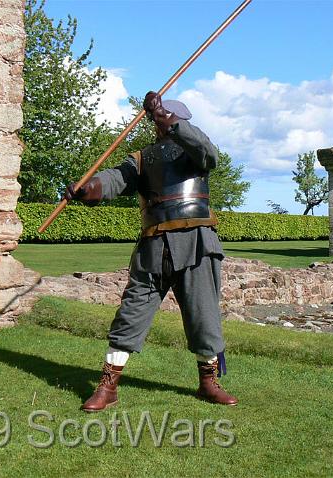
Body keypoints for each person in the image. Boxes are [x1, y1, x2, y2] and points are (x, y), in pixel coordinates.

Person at [64, 91, 238, 412]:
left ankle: (208, 382)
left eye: (174, 119)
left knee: (204, 317)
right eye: (165, 118)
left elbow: (208, 153)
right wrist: (88, 187)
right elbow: (116, 179)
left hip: (197, 243)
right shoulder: (141, 158)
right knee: (130, 315)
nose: (169, 123)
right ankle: (108, 386)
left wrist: (170, 122)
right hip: (153, 247)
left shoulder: (194, 150)